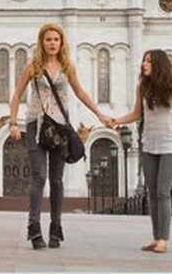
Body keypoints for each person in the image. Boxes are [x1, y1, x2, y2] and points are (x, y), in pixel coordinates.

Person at [8, 22, 111, 249]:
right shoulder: (32, 65)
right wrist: (13, 123)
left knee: (56, 180)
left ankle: (56, 228)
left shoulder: (67, 66)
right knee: (39, 177)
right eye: (48, 39)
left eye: (56, 39)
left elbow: (80, 92)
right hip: (37, 124)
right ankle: (34, 228)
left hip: (60, 127)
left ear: (61, 42)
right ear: (42, 42)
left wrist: (100, 114)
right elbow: (16, 94)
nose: (52, 43)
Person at [111, 49, 172, 254]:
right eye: (143, 60)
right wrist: (116, 120)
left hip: (170, 145)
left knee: (162, 192)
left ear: (158, 65)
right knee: (152, 194)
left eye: (148, 61)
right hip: (149, 144)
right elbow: (136, 114)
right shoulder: (143, 87)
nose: (144, 64)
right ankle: (156, 237)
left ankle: (163, 240)